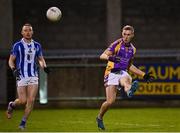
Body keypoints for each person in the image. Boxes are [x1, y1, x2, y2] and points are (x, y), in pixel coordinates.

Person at [96, 25, 154, 130]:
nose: (126, 36)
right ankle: (99, 117)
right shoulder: (116, 44)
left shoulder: (133, 49)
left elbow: (129, 66)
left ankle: (129, 91)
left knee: (126, 79)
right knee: (110, 101)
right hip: (111, 72)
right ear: (122, 34)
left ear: (132, 35)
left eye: (128, 34)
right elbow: (102, 56)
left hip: (122, 71)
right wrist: (112, 58)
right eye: (124, 34)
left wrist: (143, 74)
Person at [6, 23, 50, 130]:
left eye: (30, 30)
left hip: (33, 75)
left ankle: (23, 123)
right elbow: (11, 60)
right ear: (22, 32)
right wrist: (13, 69)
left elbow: (40, 58)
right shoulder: (17, 45)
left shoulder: (37, 45)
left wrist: (44, 67)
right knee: (22, 101)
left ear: (32, 32)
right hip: (21, 75)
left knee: (31, 100)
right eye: (25, 30)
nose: (28, 32)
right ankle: (11, 105)